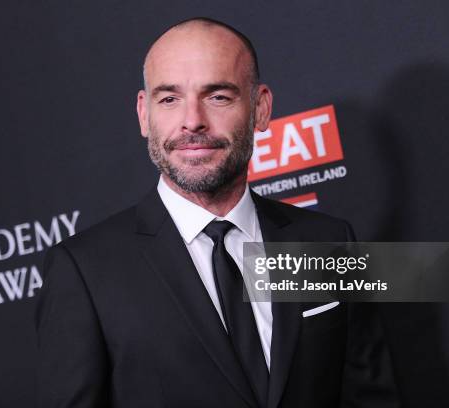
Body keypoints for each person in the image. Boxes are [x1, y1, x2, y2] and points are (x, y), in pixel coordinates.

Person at [35, 17, 398, 408]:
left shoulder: (327, 242)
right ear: (144, 114)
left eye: (218, 96)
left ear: (260, 108)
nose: (192, 121)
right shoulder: (86, 272)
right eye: (169, 99)